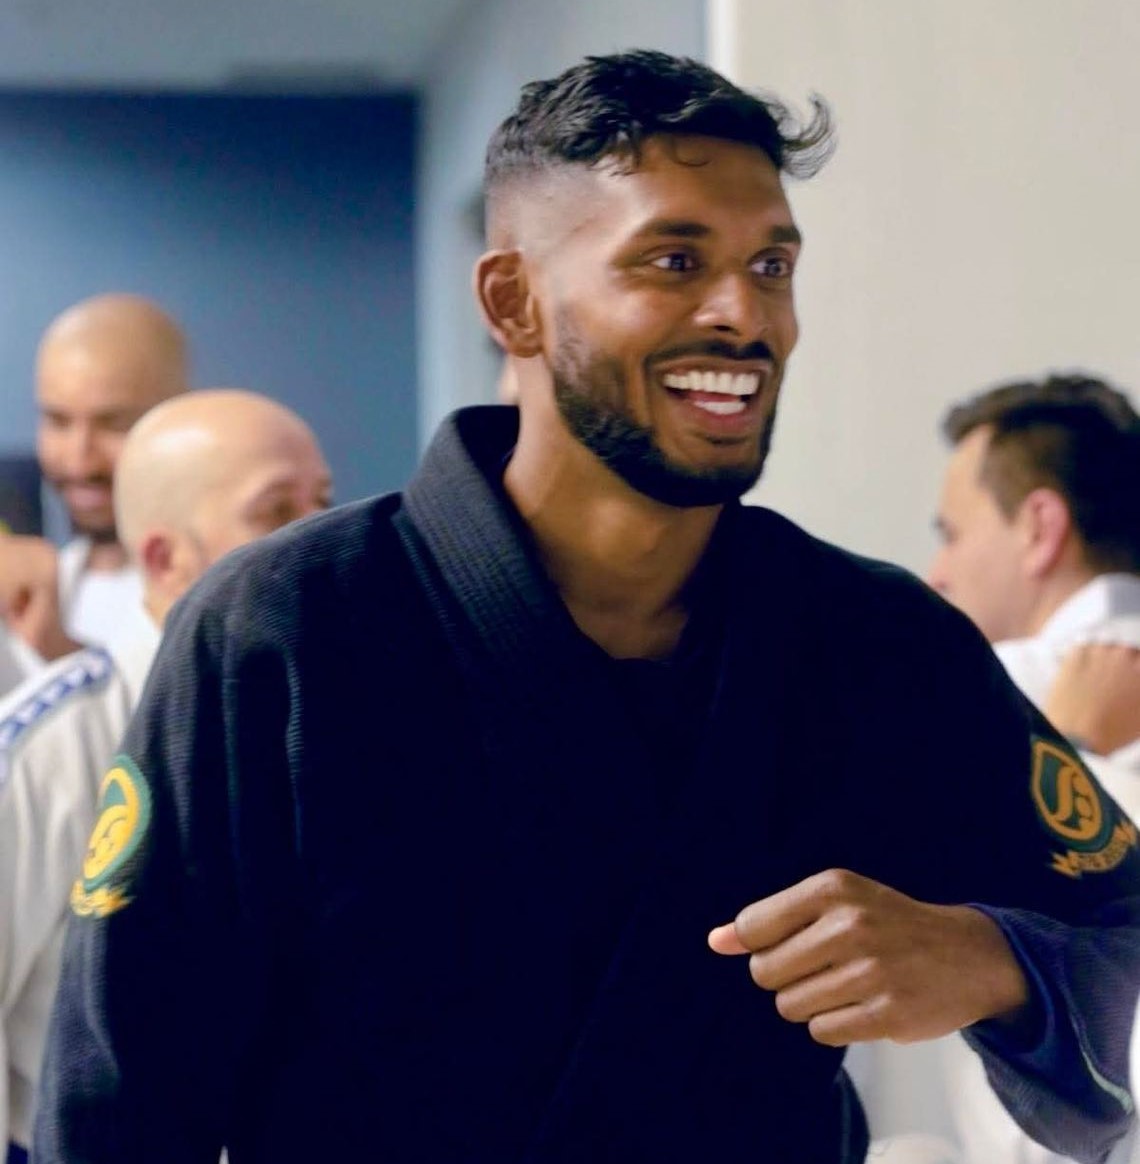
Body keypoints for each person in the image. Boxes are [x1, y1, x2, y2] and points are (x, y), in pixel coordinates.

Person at [34, 51, 1140, 1164]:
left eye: (772, 265)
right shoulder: (282, 631)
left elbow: (1121, 929)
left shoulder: (877, 642)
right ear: (513, 300)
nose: (743, 315)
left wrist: (991, 960)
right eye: (674, 260)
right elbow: (120, 1099)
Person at [0, 390, 332, 1164]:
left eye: (322, 501)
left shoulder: (337, 723)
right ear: (164, 556)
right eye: (276, 512)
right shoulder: (45, 751)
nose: (319, 538)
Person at [0, 293, 189, 667]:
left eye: (113, 422)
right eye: (58, 420)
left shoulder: (217, 593)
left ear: (177, 416)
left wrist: (61, 653)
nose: (78, 456)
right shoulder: (44, 584)